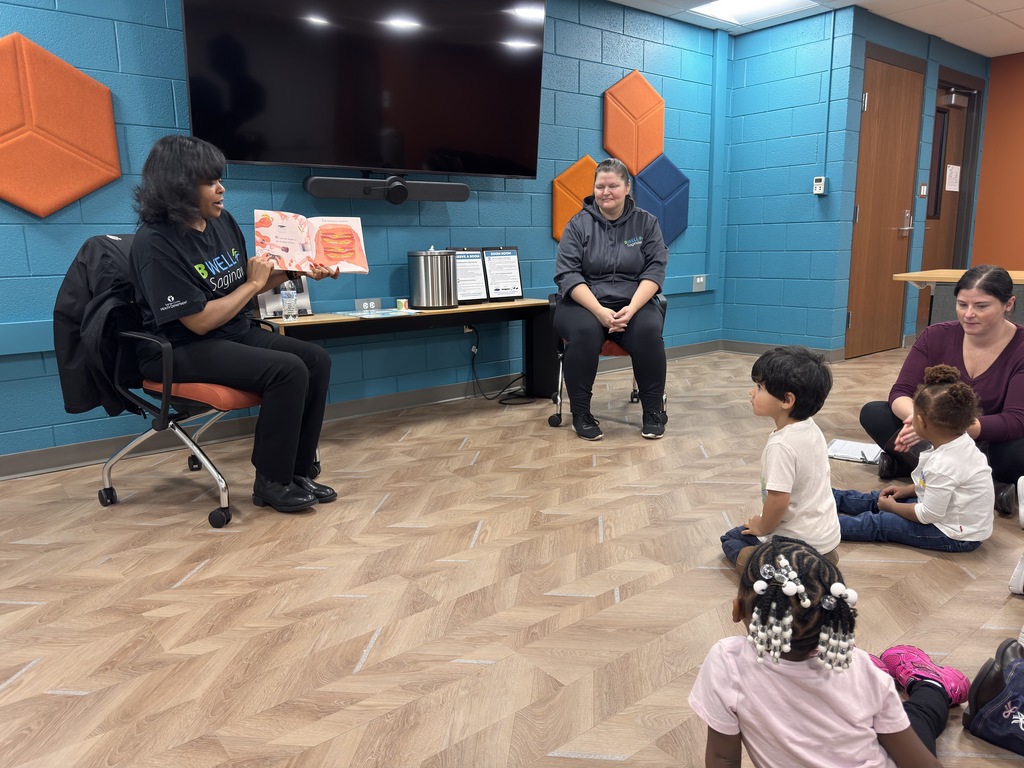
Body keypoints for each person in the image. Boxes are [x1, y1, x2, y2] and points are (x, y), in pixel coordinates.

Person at [130, 134, 337, 514]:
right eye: (210, 181)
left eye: (219, 178)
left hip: (231, 332)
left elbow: (243, 289)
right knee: (287, 370)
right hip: (178, 348)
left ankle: (297, 472)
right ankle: (271, 482)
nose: (222, 188)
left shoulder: (222, 222)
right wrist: (255, 283)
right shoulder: (155, 243)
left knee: (315, 360)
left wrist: (296, 272)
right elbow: (199, 322)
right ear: (178, 187)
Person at [689, 537, 969, 767]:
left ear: (737, 610)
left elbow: (722, 758)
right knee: (916, 719)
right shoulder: (861, 671)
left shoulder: (728, 662)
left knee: (912, 717)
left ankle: (933, 683)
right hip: (866, 704)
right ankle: (931, 686)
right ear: (835, 617)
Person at [859, 265, 1024, 524]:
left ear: (1008, 304)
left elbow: (1015, 420)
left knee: (1018, 451)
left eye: (981, 306)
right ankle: (990, 487)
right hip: (934, 435)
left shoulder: (1021, 347)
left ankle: (906, 464)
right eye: (961, 304)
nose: (969, 314)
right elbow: (901, 392)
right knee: (875, 413)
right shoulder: (936, 335)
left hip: (990, 441)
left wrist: (939, 426)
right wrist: (919, 420)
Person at [553, 157, 668, 441]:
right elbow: (567, 274)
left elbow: (655, 269)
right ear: (594, 188)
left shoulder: (647, 223)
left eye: (613, 185)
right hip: (584, 303)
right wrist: (600, 312)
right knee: (583, 332)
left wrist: (631, 309)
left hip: (634, 303)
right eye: (600, 186)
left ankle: (653, 411)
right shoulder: (578, 225)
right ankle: (581, 414)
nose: (606, 192)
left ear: (627, 187)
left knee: (649, 331)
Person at [833, 365, 993, 552]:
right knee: (880, 498)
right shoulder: (959, 441)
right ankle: (830, 497)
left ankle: (819, 529)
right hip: (946, 515)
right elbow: (937, 487)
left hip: (954, 535)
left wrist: (892, 508)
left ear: (922, 422)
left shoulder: (944, 464)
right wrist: (908, 491)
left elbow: (928, 515)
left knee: (881, 522)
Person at [720, 346, 841, 568]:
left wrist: (762, 527)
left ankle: (778, 570)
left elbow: (778, 502)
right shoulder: (810, 427)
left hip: (798, 543)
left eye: (760, 387)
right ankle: (819, 562)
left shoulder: (781, 445)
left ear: (786, 400)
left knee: (731, 539)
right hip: (826, 539)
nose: (752, 392)